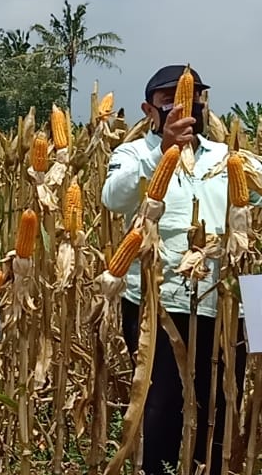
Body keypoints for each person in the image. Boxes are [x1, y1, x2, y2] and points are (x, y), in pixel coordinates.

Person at [101, 65, 251, 475]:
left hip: (222, 303)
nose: (185, 104)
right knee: (161, 403)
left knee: (220, 399)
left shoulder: (228, 157)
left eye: (194, 96)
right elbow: (113, 199)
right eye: (170, 98)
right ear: (150, 109)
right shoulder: (132, 154)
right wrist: (162, 150)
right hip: (157, 303)